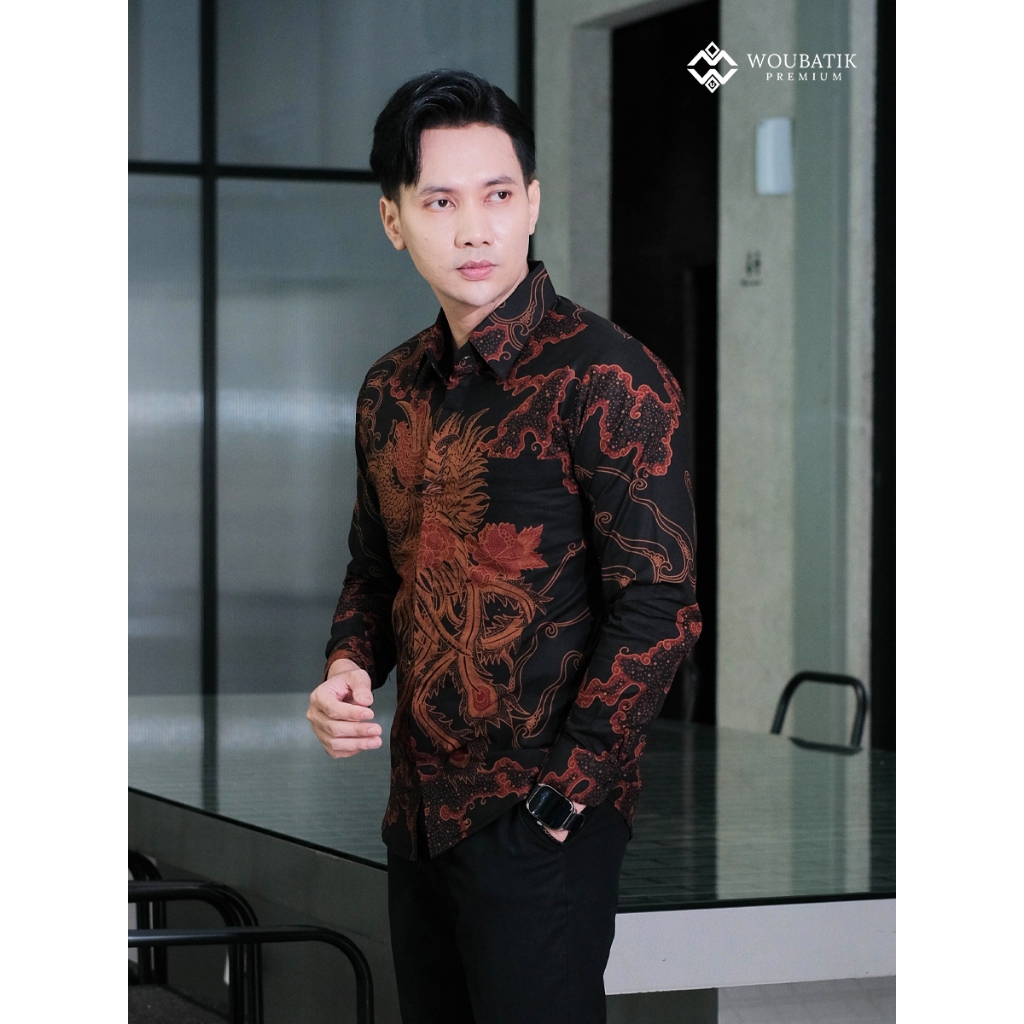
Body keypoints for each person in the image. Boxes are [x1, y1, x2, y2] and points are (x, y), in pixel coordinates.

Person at [307, 69, 700, 1024]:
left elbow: (660, 607)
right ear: (395, 220)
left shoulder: (607, 376)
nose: (474, 229)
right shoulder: (389, 388)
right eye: (440, 202)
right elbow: (377, 568)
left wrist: (563, 801)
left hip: (541, 817)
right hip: (418, 816)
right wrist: (349, 664)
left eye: (496, 195)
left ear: (532, 202)